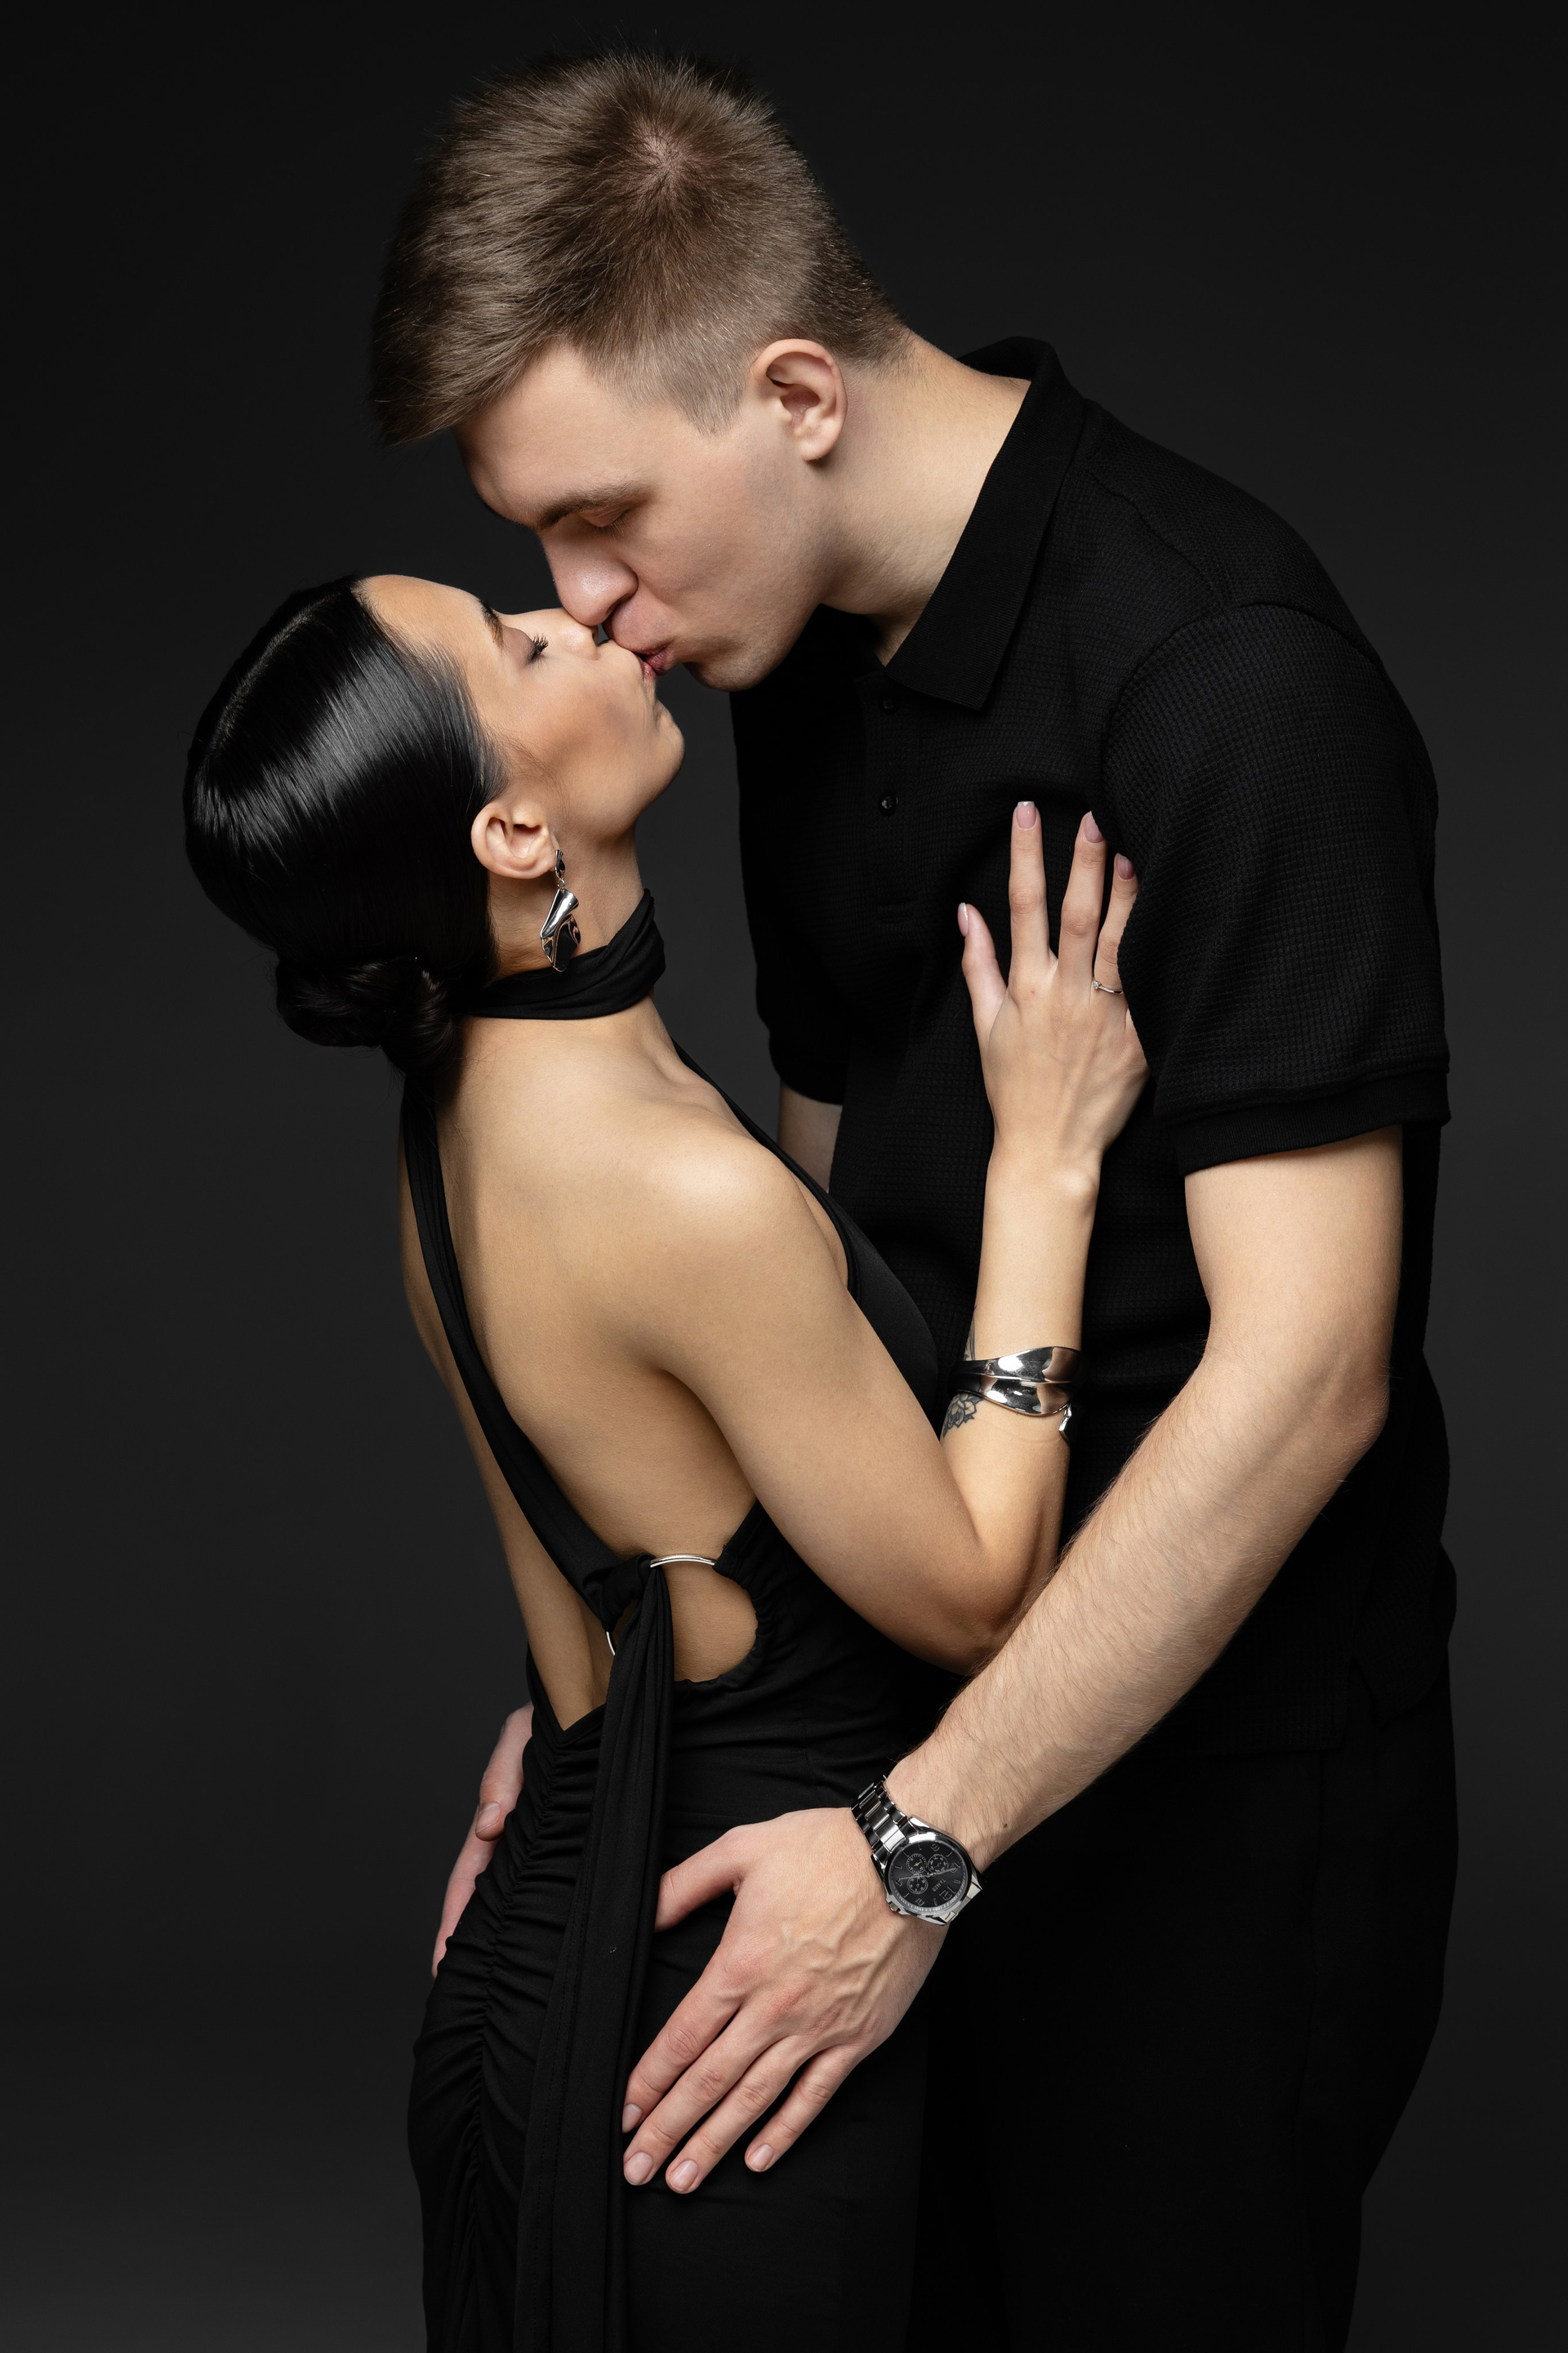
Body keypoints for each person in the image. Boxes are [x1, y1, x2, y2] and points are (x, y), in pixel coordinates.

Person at [370, 53, 1459, 2350]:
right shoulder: (780, 660)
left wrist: (920, 1843)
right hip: (887, 1759)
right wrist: (627, 1716)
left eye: (601, 520)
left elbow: (1309, 1376)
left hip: (1199, 1812)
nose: (586, 607)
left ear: (795, 396)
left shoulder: (1225, 676)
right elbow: (815, 1250)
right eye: (537, 547)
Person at [183, 570, 1147, 2350]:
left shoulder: (458, 1114)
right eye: (516, 647)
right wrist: (1048, 1163)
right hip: (720, 2040)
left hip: (551, 1960)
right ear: (512, 828)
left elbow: (637, 1510)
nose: (578, 620)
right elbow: (975, 1596)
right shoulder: (670, 1189)